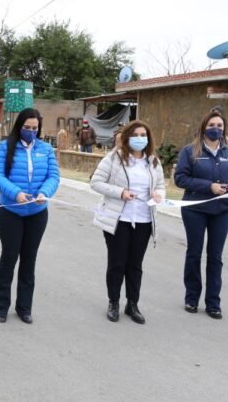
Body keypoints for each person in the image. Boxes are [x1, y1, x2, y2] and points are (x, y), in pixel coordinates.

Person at [90, 120, 165, 324]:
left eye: (144, 135)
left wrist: (158, 194)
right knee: (117, 263)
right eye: (136, 135)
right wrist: (120, 192)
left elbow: (160, 185)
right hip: (118, 219)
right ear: (127, 137)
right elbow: (95, 182)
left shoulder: (153, 162)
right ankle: (113, 301)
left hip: (143, 220)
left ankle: (132, 304)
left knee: (135, 265)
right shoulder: (114, 159)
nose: (140, 139)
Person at [0, 108, 60, 324]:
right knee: (9, 256)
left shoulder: (46, 149)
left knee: (29, 259)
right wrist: (16, 193)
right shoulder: (5, 147)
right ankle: (1, 306)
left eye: (34, 128)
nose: (31, 131)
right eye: (27, 128)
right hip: (10, 211)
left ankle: (24, 307)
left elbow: (54, 176)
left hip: (37, 213)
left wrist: (45, 193)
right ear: (19, 126)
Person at [174, 110, 228, 319]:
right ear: (204, 126)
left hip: (222, 210)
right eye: (212, 124)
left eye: (220, 126)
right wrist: (208, 186)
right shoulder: (190, 151)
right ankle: (191, 298)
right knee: (194, 253)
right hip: (195, 208)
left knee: (216, 256)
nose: (216, 129)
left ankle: (213, 303)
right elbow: (180, 178)